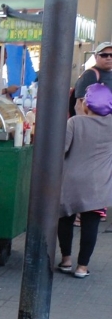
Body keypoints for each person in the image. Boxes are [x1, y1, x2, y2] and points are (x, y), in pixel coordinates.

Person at [57, 83, 112, 279]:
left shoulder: (74, 122)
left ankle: (66, 260)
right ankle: (82, 267)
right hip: (99, 184)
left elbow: (61, 150)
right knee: (91, 224)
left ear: (86, 104)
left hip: (71, 180)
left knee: (65, 219)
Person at [71, 41, 112, 117]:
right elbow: (79, 106)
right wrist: (87, 124)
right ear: (96, 57)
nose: (109, 58)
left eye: (111, 55)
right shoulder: (90, 74)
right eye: (104, 55)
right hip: (95, 122)